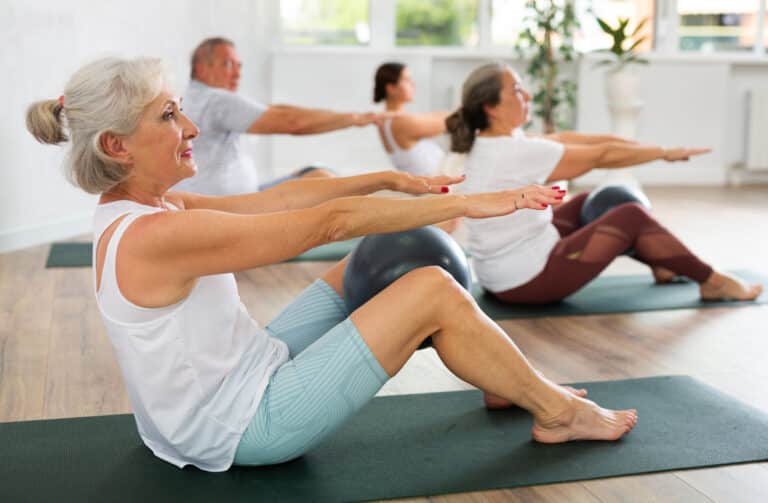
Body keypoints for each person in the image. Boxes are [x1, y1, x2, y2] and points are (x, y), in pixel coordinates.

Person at [26, 56, 638, 473]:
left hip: (230, 383)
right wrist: (481, 204)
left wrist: (391, 179)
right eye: (167, 116)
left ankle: (508, 382)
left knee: (365, 261)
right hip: (240, 425)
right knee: (430, 289)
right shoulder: (160, 234)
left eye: (179, 109)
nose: (189, 126)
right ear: (116, 146)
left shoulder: (137, 210)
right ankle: (559, 413)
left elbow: (281, 198)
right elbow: (327, 223)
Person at [447, 62, 763, 307]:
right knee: (629, 216)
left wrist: (647, 147)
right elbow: (601, 155)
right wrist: (663, 154)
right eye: (517, 90)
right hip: (526, 281)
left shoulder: (492, 142)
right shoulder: (515, 151)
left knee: (588, 201)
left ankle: (663, 265)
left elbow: (574, 140)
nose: (527, 95)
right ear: (491, 107)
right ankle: (713, 281)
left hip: (499, 274)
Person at [174, 37, 384, 195]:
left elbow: (277, 110)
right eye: (228, 64)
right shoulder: (216, 100)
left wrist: (346, 115)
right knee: (322, 178)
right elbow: (294, 123)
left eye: (239, 66)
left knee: (312, 172)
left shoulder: (199, 98)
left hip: (241, 196)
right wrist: (355, 120)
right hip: (232, 207)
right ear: (201, 68)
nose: (237, 74)